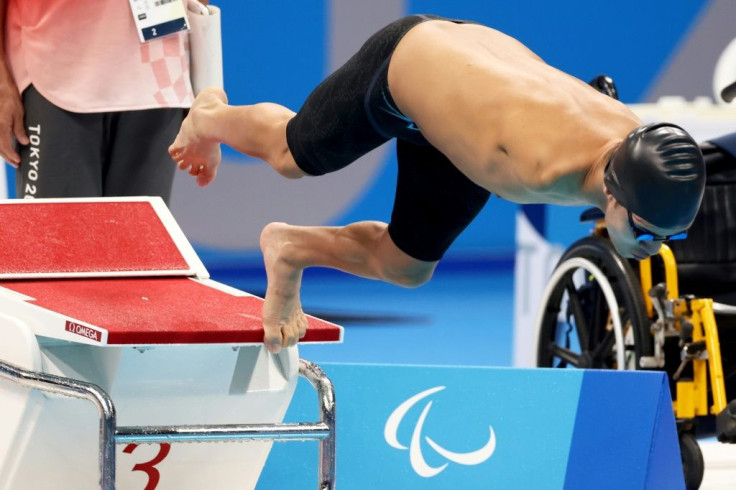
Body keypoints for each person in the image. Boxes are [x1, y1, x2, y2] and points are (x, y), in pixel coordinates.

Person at [168, 14, 706, 353]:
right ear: (613, 194)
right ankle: (211, 114)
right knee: (291, 155)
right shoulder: (533, 171)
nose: (656, 247)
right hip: (409, 65)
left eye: (667, 236)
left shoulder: (639, 140)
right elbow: (465, 156)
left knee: (406, 266)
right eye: (649, 232)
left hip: (474, 94)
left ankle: (289, 246)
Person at [0, 0, 207, 204]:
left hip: (160, 79)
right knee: (58, 236)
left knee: (138, 236)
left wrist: (201, 85)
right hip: (54, 76)